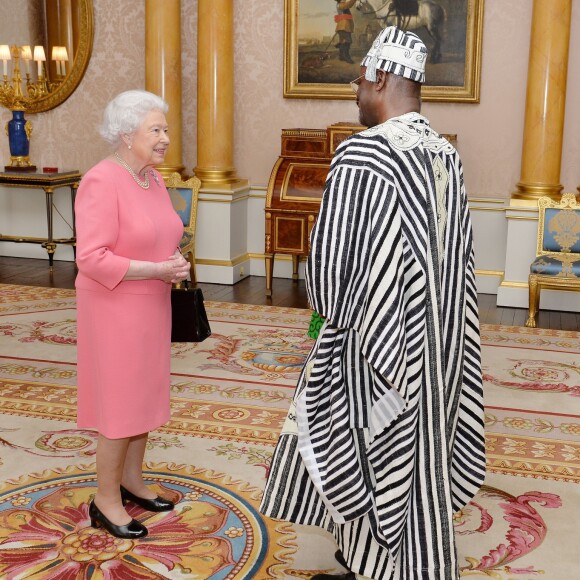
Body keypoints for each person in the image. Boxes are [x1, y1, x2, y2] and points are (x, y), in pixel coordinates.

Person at [260, 27, 486, 580]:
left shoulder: (365, 151)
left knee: (361, 447)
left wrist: (326, 311)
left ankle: (371, 563)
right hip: (437, 345)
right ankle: (387, 559)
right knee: (413, 454)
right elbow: (459, 259)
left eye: (359, 81)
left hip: (372, 345)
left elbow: (333, 273)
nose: (355, 93)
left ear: (381, 77)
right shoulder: (443, 154)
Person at [75, 90, 190, 539]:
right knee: (120, 405)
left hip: (150, 305)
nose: (165, 139)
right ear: (126, 134)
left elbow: (159, 232)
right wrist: (158, 268)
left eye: (165, 130)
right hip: (113, 308)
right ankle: (104, 499)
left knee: (143, 397)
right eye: (155, 130)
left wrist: (173, 261)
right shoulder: (102, 181)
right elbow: (92, 257)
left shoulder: (153, 179)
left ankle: (131, 480)